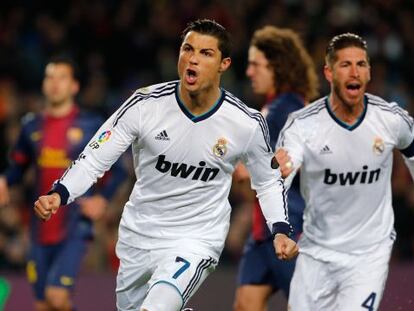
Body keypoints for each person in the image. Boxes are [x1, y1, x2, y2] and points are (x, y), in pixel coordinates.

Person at [33, 19, 298, 311]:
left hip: (195, 239)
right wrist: (60, 193)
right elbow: (95, 157)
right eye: (188, 49)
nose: (193, 58)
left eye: (205, 53)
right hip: (139, 237)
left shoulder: (245, 123)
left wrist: (281, 229)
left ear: (224, 64)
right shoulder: (145, 105)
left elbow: (267, 180)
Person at [277, 33, 414, 311]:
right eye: (345, 65)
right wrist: (280, 227)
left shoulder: (390, 119)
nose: (355, 72)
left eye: (361, 64)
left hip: (369, 253)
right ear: (329, 72)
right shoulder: (303, 126)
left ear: (369, 71)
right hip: (316, 250)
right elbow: (280, 175)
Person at [0, 56, 126, 311]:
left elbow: (120, 172)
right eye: (50, 77)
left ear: (74, 86)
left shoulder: (91, 126)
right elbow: (18, 168)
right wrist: (4, 180)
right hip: (39, 226)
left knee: (56, 296)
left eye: (62, 77)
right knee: (44, 305)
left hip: (75, 225)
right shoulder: (30, 126)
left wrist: (102, 199)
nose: (55, 83)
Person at [233, 26, 319, 311]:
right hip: (264, 232)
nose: (249, 72)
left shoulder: (284, 110)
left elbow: (256, 167)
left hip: (291, 226)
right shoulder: (277, 107)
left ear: (278, 68)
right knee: (247, 303)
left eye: (256, 65)